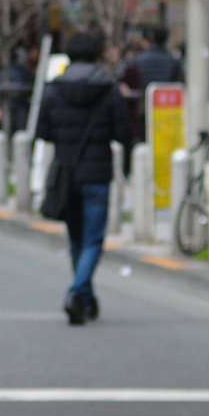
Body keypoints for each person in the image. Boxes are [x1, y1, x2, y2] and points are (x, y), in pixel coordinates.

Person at [35, 32, 134, 326]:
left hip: (66, 173)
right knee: (92, 241)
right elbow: (123, 134)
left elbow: (44, 131)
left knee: (76, 239)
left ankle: (84, 298)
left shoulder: (54, 90)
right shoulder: (108, 90)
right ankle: (78, 293)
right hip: (97, 174)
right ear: (96, 55)